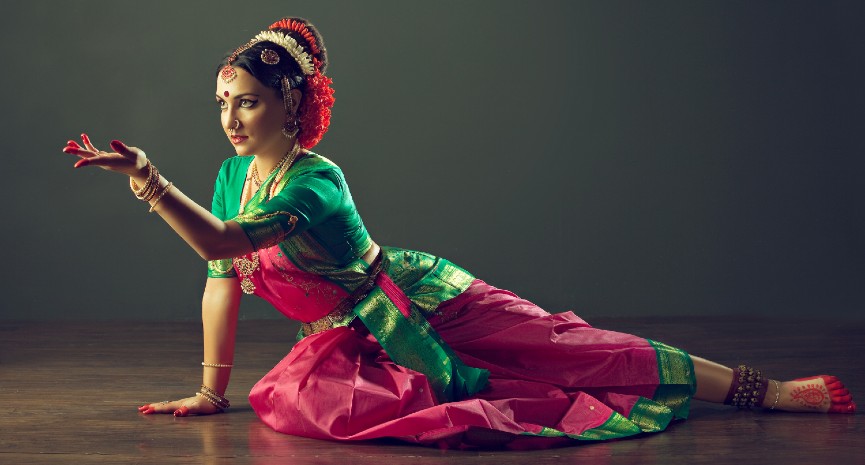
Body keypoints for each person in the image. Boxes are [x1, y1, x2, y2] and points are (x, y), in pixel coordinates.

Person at [61, 17, 855, 449]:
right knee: (293, 401)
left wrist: (148, 181)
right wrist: (210, 390)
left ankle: (768, 390)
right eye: (223, 103)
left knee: (575, 348)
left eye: (250, 102)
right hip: (349, 335)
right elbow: (220, 279)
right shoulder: (234, 176)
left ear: (291, 103)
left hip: (419, 302)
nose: (232, 119)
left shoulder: (314, 179)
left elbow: (223, 244)